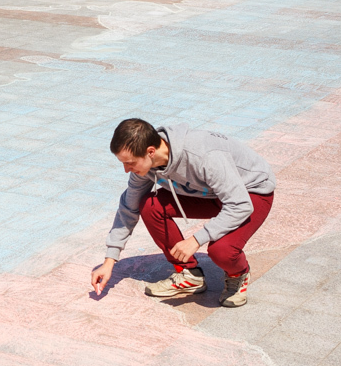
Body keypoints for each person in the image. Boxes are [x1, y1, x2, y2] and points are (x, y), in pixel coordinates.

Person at [90, 118, 276, 308]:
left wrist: (195, 240)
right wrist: (109, 261)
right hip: (212, 195)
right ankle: (189, 275)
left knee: (221, 251)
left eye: (130, 163)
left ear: (151, 152)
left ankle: (239, 274)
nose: (126, 170)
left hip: (250, 193)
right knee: (149, 204)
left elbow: (239, 204)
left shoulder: (204, 155)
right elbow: (128, 207)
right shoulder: (145, 166)